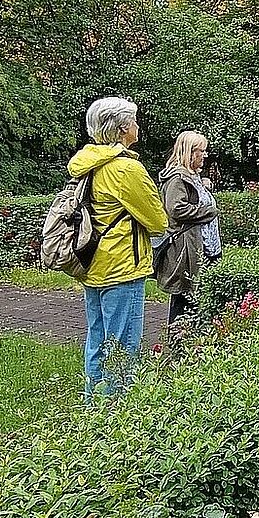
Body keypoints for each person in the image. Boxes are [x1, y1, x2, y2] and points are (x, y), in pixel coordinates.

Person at [67, 96, 168, 398]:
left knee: (97, 338)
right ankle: (117, 409)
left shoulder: (87, 163)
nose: (138, 125)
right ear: (123, 128)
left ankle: (94, 402)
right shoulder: (126, 169)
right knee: (123, 344)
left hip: (91, 261)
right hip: (123, 265)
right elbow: (157, 220)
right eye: (134, 121)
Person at [155, 131, 220, 326]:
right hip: (187, 247)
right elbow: (176, 208)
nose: (205, 155)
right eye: (202, 151)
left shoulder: (191, 175)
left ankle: (193, 337)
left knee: (197, 298)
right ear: (190, 152)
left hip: (202, 246)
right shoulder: (177, 177)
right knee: (184, 299)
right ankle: (178, 340)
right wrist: (208, 211)